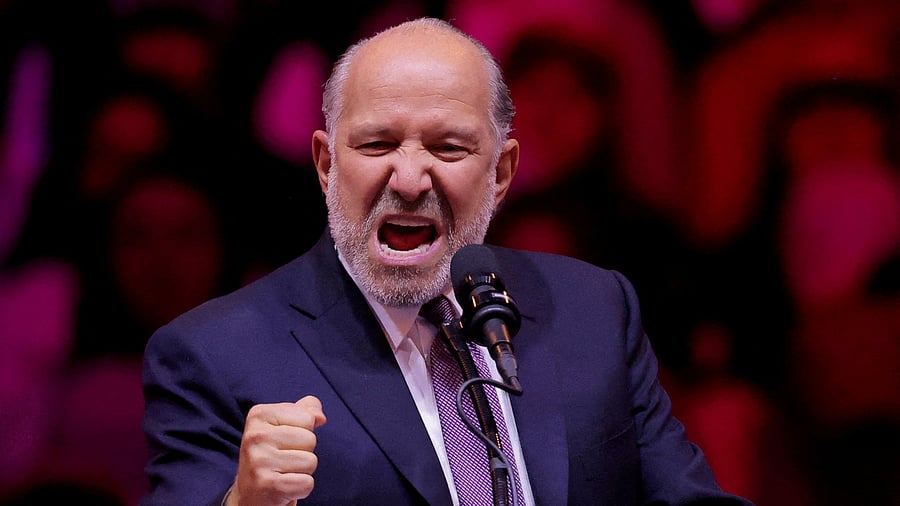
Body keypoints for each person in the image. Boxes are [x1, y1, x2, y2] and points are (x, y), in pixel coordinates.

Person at [141, 16, 753, 505]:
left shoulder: (594, 308)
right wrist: (243, 503)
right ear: (326, 166)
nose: (410, 180)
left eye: (448, 147)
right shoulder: (214, 355)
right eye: (378, 143)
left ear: (501, 173)